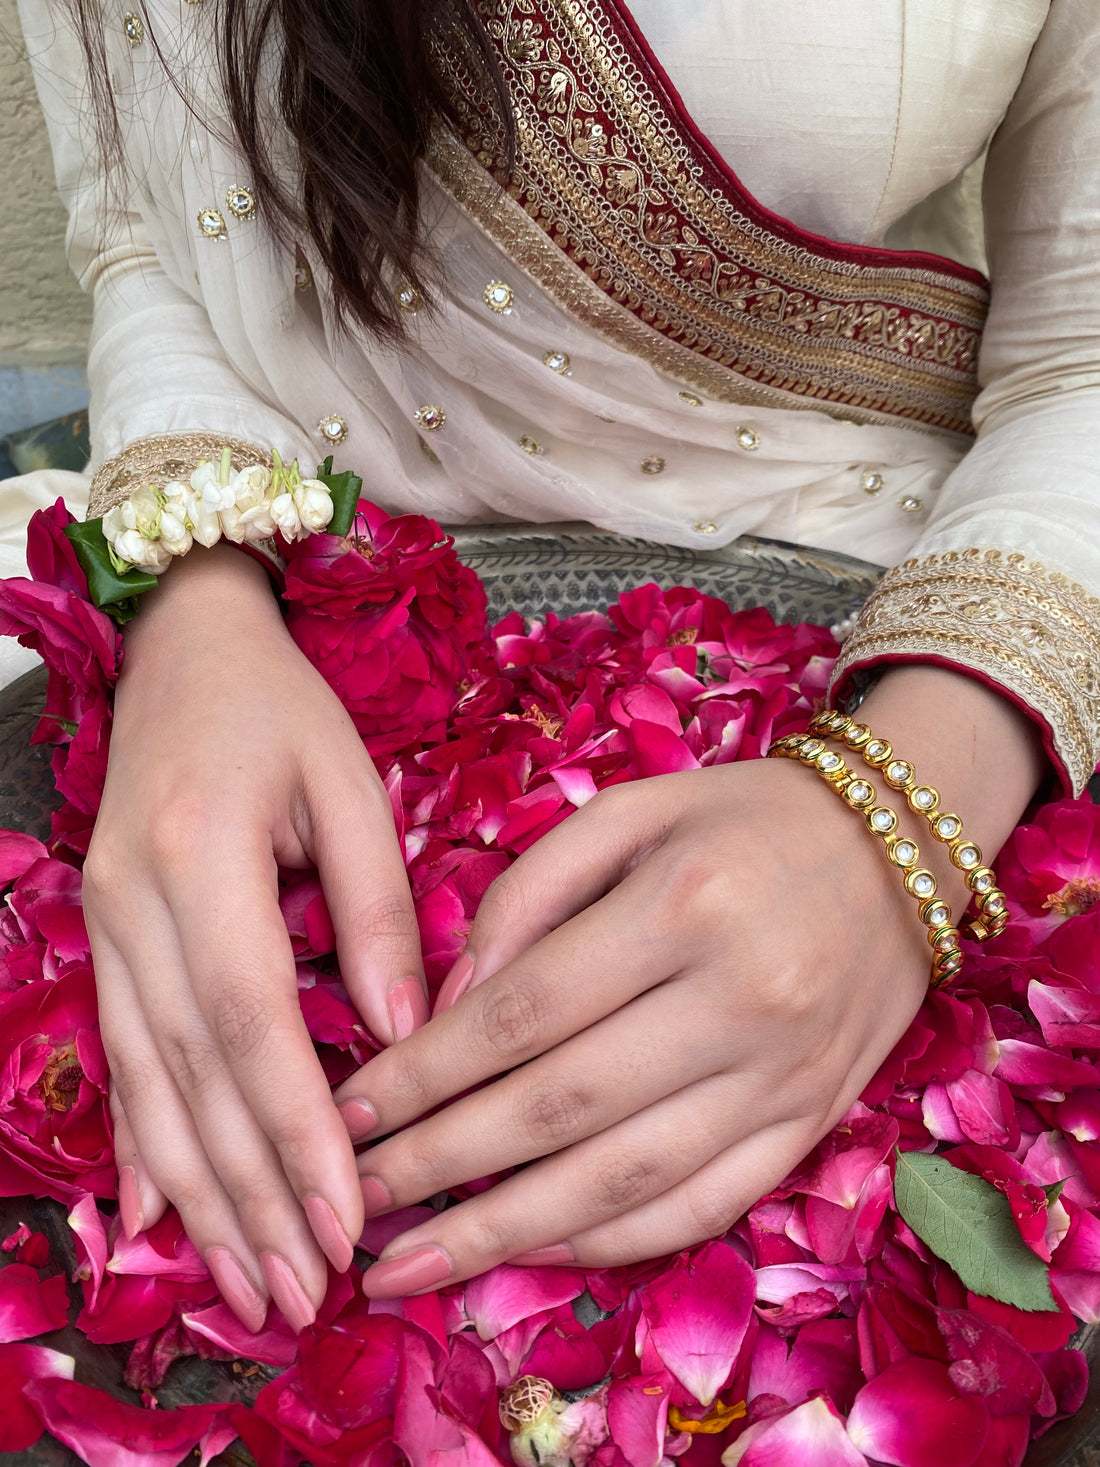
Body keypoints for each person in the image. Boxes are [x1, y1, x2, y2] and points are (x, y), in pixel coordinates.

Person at [7, 0, 1097, 1335]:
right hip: (281, 656)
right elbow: (145, 233)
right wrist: (194, 599)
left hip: (908, 656)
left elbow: (1084, 358)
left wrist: (902, 823)